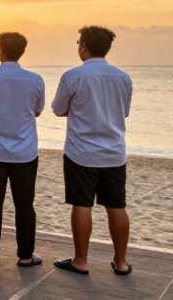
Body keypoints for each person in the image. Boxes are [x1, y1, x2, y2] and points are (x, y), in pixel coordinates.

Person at [51, 26, 133, 276]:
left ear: (84, 46)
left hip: (81, 151)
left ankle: (81, 260)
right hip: (114, 152)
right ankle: (120, 262)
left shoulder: (73, 76)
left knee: (81, 204)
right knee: (116, 205)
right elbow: (124, 112)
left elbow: (58, 109)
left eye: (79, 42)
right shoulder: (123, 77)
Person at [0, 32, 45, 267]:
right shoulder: (35, 80)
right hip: (25, 152)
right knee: (25, 204)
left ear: (0, 51)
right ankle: (25, 255)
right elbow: (38, 110)